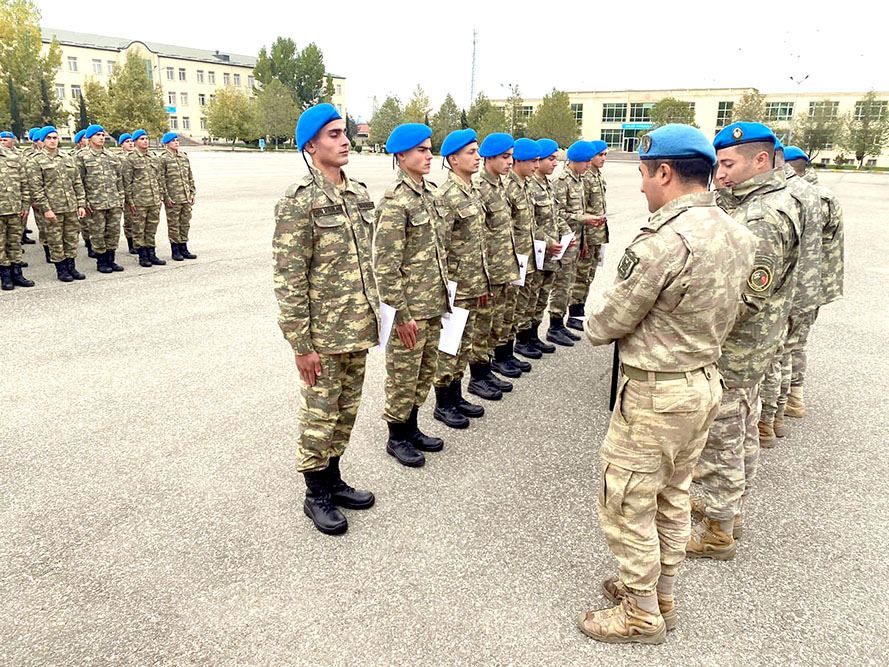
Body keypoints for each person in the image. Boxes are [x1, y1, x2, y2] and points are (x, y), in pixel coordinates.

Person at [577, 124, 756, 645]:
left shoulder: (664, 240)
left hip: (657, 394)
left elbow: (605, 323)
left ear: (665, 171)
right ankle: (663, 594)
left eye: (643, 174)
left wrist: (596, 306)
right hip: (703, 382)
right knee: (673, 493)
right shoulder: (737, 232)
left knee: (628, 498)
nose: (640, 187)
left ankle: (639, 612)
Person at [689, 122, 800, 559]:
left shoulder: (762, 215)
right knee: (742, 430)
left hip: (736, 346)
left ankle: (719, 530)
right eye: (719, 164)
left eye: (730, 164)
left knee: (723, 435)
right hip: (753, 345)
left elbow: (747, 297)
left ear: (760, 160)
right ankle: (729, 510)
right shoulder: (764, 201)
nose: (721, 173)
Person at [273, 103, 379, 536]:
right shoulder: (298, 202)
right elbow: (289, 277)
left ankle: (333, 478)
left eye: (344, 132)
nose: (344, 140)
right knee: (320, 413)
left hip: (358, 327)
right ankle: (315, 492)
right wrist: (301, 344)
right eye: (333, 134)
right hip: (322, 335)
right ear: (311, 144)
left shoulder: (358, 194)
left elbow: (368, 265)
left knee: (346, 411)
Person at [374, 123, 450, 468]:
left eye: (429, 149)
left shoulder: (430, 194)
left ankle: (413, 427)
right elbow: (385, 266)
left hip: (433, 302)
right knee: (403, 375)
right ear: (401, 156)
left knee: (424, 371)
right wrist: (401, 314)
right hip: (411, 309)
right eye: (420, 150)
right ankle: (397, 436)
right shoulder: (395, 201)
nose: (428, 155)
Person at [757, 141, 822, 444]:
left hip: (782, 291)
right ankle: (782, 411)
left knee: (772, 358)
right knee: (789, 351)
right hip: (807, 286)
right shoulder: (815, 193)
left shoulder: (778, 197)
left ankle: (766, 423)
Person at [430, 128, 493, 431]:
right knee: (449, 345)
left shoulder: (473, 191)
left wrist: (481, 282)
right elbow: (440, 247)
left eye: (477, 151)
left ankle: (456, 396)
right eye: (471, 153)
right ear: (453, 159)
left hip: (473, 283)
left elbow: (478, 243)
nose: (477, 157)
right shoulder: (446, 196)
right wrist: (446, 291)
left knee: (464, 343)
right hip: (455, 286)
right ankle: (443, 403)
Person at [784, 146, 844, 418]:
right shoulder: (823, 194)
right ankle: (790, 398)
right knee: (796, 342)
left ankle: (791, 399)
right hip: (816, 284)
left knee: (789, 344)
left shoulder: (808, 198)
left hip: (803, 283)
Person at [477, 132, 527, 380]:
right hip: (491, 271)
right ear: (489, 158)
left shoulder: (500, 186)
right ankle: (481, 373)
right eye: (505, 157)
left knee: (502, 318)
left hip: (506, 266)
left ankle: (499, 358)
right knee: (486, 325)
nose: (510, 162)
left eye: (511, 157)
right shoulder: (481, 189)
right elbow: (480, 237)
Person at [527, 139, 573, 353]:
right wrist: (548, 242)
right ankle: (524, 338)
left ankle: (533, 335)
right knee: (529, 299)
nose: (555, 163)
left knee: (541, 297)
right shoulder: (530, 187)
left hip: (551, 253)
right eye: (550, 158)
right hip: (537, 252)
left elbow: (555, 215)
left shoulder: (547, 184)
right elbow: (528, 223)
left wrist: (566, 234)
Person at [549, 140, 595, 345]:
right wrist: (583, 219)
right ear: (574, 161)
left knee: (569, 283)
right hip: (563, 241)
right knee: (561, 284)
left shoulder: (578, 179)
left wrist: (583, 239)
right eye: (585, 162)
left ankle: (560, 324)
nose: (588, 165)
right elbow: (557, 214)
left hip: (575, 240)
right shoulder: (562, 181)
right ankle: (554, 325)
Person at [27, 126, 87, 282]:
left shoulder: (67, 158)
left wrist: (81, 204)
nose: (53, 141)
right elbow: (36, 188)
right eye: (49, 138)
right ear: (43, 140)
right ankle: (61, 270)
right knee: (55, 240)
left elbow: (77, 182)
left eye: (55, 137)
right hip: (53, 208)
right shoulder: (36, 160)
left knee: (71, 238)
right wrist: (45, 209)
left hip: (71, 206)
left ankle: (71, 267)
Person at [506, 138, 543, 360]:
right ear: (518, 161)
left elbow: (531, 224)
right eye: (533, 161)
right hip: (514, 259)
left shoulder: (526, 185)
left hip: (528, 256)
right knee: (510, 309)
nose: (536, 166)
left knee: (521, 305)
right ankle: (503, 355)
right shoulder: (509, 187)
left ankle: (516, 347)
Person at [568, 140, 609, 330]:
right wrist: (583, 238)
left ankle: (580, 311)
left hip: (596, 234)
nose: (603, 158)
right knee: (580, 276)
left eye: (605, 155)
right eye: (600, 155)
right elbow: (581, 211)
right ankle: (574, 314)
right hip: (586, 234)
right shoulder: (584, 179)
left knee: (588, 275)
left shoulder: (598, 176)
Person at [76, 124, 125, 273]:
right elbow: (78, 181)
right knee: (97, 233)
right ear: (90, 137)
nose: (102, 138)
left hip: (113, 201)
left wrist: (121, 198)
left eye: (103, 135)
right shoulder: (81, 156)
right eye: (98, 135)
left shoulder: (111, 156)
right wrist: (83, 203)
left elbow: (119, 179)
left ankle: (111, 259)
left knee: (113, 232)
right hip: (95, 203)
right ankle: (101, 261)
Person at [122, 129, 166, 268]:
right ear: (135, 142)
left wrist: (160, 196)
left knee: (151, 228)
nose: (145, 141)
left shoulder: (153, 157)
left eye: (146, 138)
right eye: (142, 139)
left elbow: (159, 178)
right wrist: (130, 202)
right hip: (139, 201)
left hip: (153, 200)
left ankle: (151, 253)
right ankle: (142, 255)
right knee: (139, 229)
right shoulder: (130, 159)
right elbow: (126, 182)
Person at [159, 132, 197, 261]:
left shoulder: (183, 157)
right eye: (173, 141)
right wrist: (166, 197)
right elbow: (161, 179)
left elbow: (189, 176)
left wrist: (192, 192)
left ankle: (184, 247)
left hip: (185, 196)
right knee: (174, 224)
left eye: (177, 140)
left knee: (185, 223)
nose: (176, 142)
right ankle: (175, 250)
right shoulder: (163, 158)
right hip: (173, 198)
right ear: (167, 144)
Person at [0, 139, 33, 290]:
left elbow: (24, 183)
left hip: (15, 209)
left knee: (15, 243)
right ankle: (5, 277)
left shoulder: (13, 157)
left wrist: (25, 204)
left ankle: (17, 274)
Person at [116, 133, 137, 254]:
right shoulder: (118, 158)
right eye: (127, 141)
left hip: (137, 192)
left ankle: (138, 241)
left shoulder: (136, 156)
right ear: (122, 144)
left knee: (137, 219)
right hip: (124, 191)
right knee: (129, 219)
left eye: (131, 141)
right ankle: (131, 243)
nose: (130, 143)